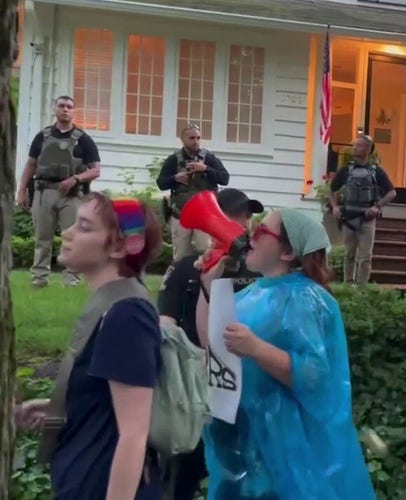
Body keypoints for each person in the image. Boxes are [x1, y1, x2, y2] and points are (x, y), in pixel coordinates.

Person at [194, 209, 375, 499]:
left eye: (262, 231)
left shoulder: (306, 297)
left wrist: (255, 348)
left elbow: (314, 374)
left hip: (289, 447)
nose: (250, 233)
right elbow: (213, 344)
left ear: (289, 251)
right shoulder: (250, 295)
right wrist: (207, 284)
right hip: (248, 439)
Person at [16, 194, 164, 499]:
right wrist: (59, 406)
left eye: (84, 226)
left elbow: (134, 434)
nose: (67, 232)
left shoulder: (127, 315)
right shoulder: (110, 302)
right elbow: (109, 401)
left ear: (120, 246)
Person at [155, 188, 264, 499]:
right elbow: (166, 325)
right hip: (195, 390)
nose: (245, 224)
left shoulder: (258, 269)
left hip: (244, 388)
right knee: (183, 475)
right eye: (236, 217)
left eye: (247, 217)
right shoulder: (184, 269)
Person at [16, 95, 102, 288]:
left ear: (74, 111)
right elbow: (30, 165)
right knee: (42, 238)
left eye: (69, 106)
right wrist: (22, 190)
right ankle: (39, 279)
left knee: (72, 237)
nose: (65, 109)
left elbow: (95, 170)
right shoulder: (43, 136)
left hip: (71, 195)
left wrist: (76, 178)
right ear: (54, 109)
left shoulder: (83, 139)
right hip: (43, 191)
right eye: (61, 106)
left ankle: (72, 279)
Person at [328, 134, 396, 285]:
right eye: (354, 144)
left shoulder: (376, 171)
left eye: (359, 145)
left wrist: (377, 206)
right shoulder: (346, 170)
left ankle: (362, 287)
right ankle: (347, 284)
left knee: (365, 256)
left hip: (367, 219)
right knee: (349, 254)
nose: (355, 147)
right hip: (349, 218)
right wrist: (335, 207)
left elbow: (392, 192)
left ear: (368, 149)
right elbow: (331, 189)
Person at [156, 123, 231, 260]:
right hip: (180, 215)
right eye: (191, 138)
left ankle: (204, 280)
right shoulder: (174, 159)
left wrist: (206, 169)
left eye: (198, 138)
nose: (195, 141)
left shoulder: (209, 158)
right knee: (181, 256)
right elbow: (161, 183)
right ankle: (181, 280)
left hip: (205, 216)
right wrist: (175, 178)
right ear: (183, 139)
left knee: (206, 251)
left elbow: (225, 179)